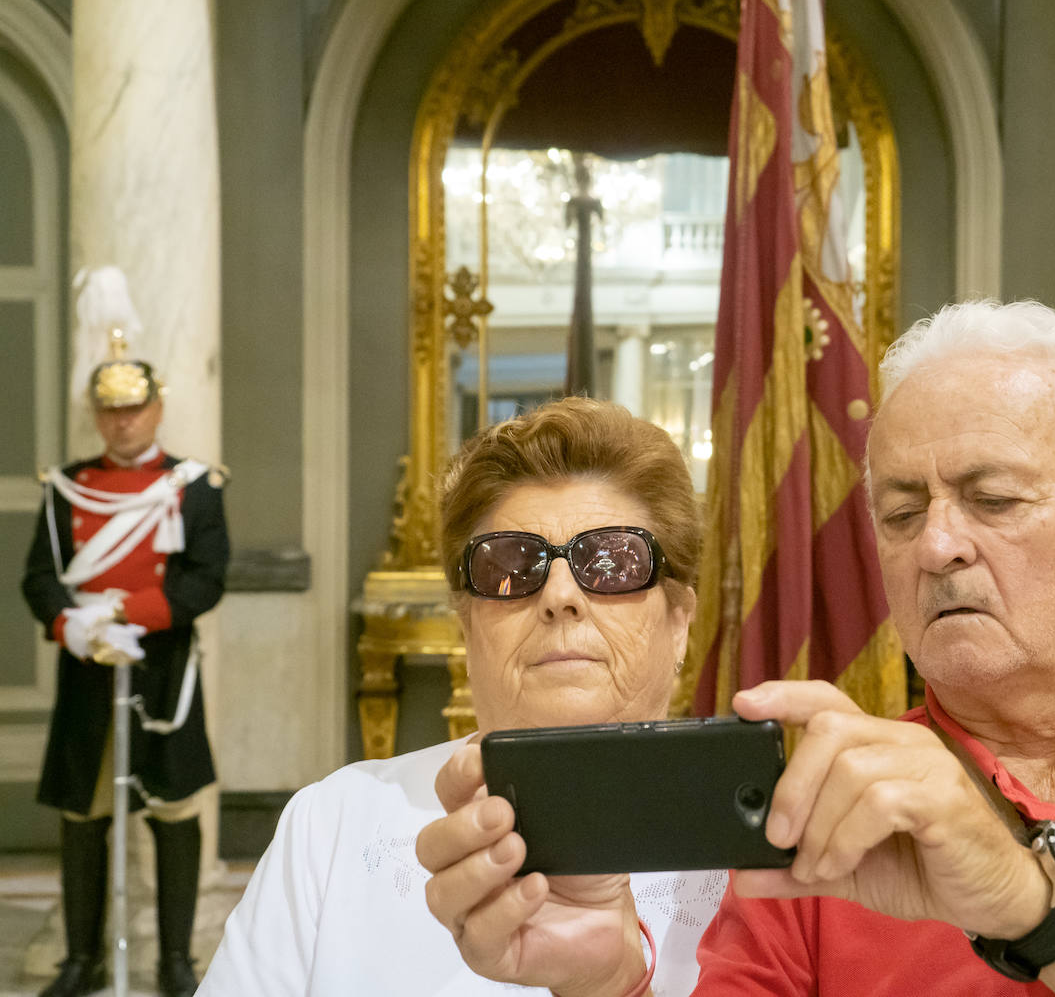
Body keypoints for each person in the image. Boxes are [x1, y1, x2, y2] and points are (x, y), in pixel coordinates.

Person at [426, 300, 1055, 995]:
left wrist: (1036, 894)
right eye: (901, 510)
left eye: (993, 499)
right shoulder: (832, 819)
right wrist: (614, 987)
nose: (938, 544)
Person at [199, 397, 723, 996]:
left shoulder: (766, 862)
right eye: (511, 566)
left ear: (680, 620)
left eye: (610, 563)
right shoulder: (333, 825)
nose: (559, 593)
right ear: (467, 625)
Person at [22, 330, 229, 997]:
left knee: (174, 811)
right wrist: (73, 627)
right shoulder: (66, 488)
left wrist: (126, 614)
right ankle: (79, 959)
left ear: (157, 407)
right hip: (88, 671)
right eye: (111, 410)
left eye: (135, 408)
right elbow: (39, 577)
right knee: (84, 816)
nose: (124, 421)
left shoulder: (194, 487)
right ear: (96, 414)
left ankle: (175, 958)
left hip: (163, 669)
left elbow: (205, 578)